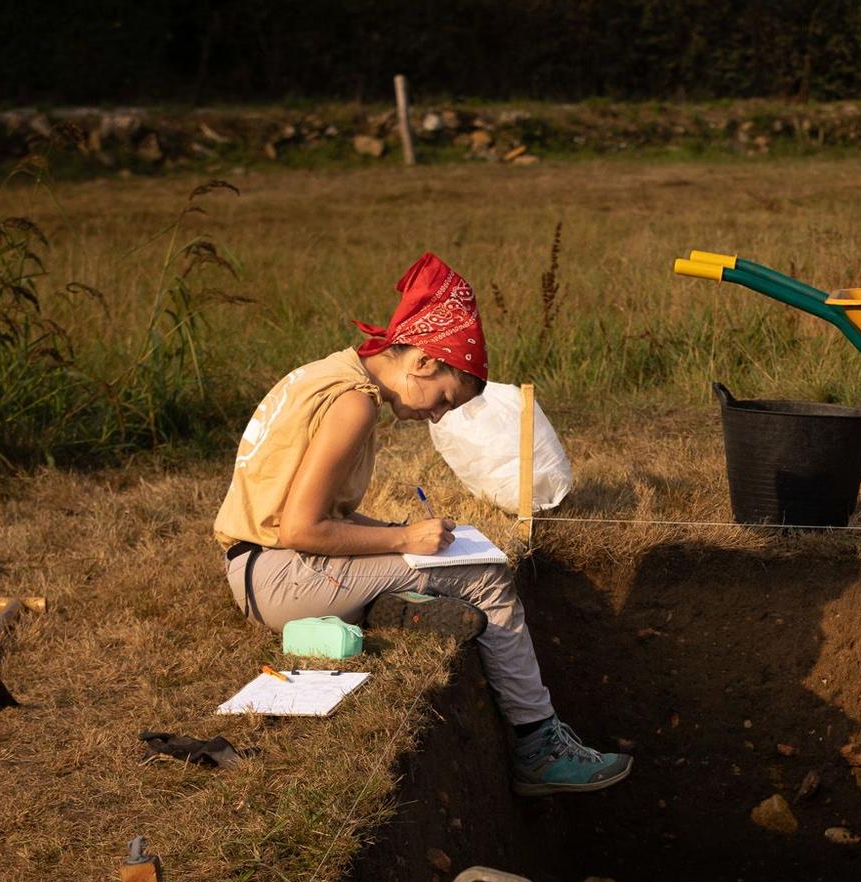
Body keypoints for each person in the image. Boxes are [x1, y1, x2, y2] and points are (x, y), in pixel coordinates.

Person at [212, 252, 630, 796]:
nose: (436, 415)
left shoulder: (325, 374)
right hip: (281, 577)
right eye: (444, 400)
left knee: (424, 562)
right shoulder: (354, 405)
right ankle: (538, 746)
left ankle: (398, 604)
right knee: (487, 579)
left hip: (255, 567)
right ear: (425, 363)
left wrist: (393, 532)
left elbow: (303, 514)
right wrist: (404, 539)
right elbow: (300, 530)